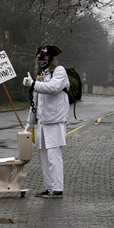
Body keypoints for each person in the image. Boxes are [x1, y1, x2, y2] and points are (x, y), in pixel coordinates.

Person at [22, 45, 70, 198]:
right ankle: (49, 187)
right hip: (43, 122)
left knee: (53, 156)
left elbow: (53, 88)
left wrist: (34, 84)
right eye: (40, 58)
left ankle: (57, 189)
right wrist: (29, 124)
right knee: (43, 157)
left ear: (52, 58)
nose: (42, 60)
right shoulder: (41, 75)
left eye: (46, 57)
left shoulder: (59, 71)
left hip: (55, 121)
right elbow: (35, 101)